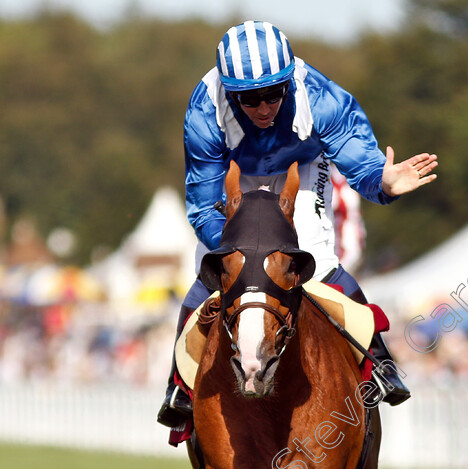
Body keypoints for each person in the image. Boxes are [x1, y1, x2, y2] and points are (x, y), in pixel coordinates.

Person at [157, 20, 438, 427]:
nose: (265, 107)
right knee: (215, 266)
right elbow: (202, 208)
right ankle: (178, 386)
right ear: (228, 92)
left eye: (274, 93)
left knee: (317, 259)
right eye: (249, 99)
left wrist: (383, 181)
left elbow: (357, 156)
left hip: (301, 167)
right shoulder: (204, 110)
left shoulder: (319, 97)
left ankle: (378, 357)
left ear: (289, 80)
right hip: (237, 174)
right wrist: (242, 255)